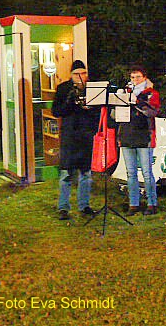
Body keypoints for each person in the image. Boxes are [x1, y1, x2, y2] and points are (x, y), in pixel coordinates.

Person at [52, 59, 101, 220]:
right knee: (66, 172)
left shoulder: (93, 88)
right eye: (76, 74)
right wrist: (69, 101)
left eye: (83, 73)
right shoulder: (64, 88)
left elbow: (99, 112)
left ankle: (84, 205)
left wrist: (90, 108)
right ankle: (63, 207)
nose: (80, 77)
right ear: (71, 75)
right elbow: (56, 111)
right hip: (70, 135)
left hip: (86, 134)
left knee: (86, 173)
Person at [119, 66, 161, 216]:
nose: (135, 80)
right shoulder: (125, 92)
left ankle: (152, 203)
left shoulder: (151, 93)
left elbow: (153, 112)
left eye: (138, 77)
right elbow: (114, 115)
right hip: (127, 135)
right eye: (132, 77)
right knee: (130, 172)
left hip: (144, 135)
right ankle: (134, 203)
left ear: (144, 78)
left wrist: (136, 102)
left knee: (146, 172)